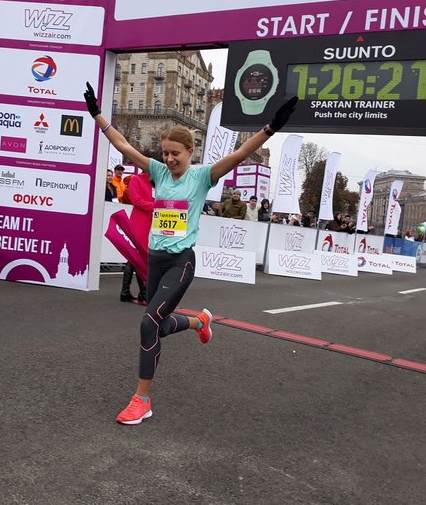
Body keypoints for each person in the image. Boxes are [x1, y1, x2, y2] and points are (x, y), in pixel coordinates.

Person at [84, 82, 297, 425]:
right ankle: (199, 321)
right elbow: (123, 145)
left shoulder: (201, 177)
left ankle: (142, 400)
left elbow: (240, 154)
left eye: (175, 154)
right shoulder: (158, 172)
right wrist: (97, 115)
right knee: (159, 326)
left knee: (149, 323)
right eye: (165, 153)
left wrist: (271, 128)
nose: (169, 159)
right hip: (155, 259)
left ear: (190, 151)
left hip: (180, 262)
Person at [119, 170, 153, 305]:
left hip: (148, 222)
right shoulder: (136, 180)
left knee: (138, 257)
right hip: (139, 222)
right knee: (136, 257)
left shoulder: (153, 182)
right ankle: (140, 293)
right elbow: (137, 201)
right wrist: (156, 206)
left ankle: (133, 292)